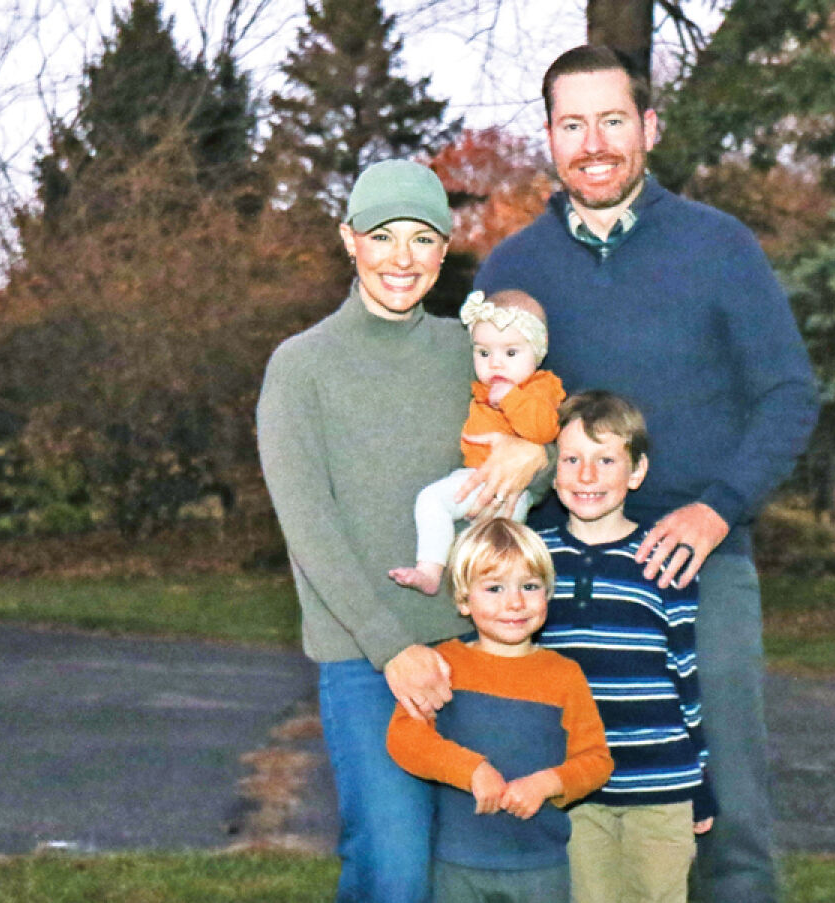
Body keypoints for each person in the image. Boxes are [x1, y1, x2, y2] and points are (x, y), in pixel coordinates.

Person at [473, 46, 820, 903]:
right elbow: (484, 429)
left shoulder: (718, 246)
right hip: (557, 581)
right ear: (550, 137)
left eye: (614, 120)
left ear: (649, 128)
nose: (595, 143)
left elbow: (788, 393)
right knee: (564, 815)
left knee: (725, 816)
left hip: (696, 565)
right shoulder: (510, 275)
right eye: (573, 123)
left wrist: (716, 510)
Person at [257, 159, 518, 903]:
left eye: (422, 238)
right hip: (368, 660)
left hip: (477, 647)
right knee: (395, 869)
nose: (402, 258)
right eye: (382, 235)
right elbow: (309, 527)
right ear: (349, 240)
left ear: (445, 249)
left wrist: (530, 453)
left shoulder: (469, 357)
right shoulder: (301, 368)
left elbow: (526, 463)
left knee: (471, 872)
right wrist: (392, 647)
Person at [537, 390, 717, 903]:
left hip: (661, 788)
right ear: (553, 470)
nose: (587, 475)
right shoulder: (534, 560)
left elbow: (685, 675)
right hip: (574, 790)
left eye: (606, 460)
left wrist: (699, 782)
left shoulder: (665, 559)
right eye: (572, 459)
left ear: (636, 472)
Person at [387, 517, 613, 903]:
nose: (515, 602)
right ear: (463, 600)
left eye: (530, 586)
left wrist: (548, 784)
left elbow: (596, 760)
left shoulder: (564, 675)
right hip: (457, 863)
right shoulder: (444, 664)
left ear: (548, 594)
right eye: (494, 588)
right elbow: (405, 737)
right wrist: (471, 769)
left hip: (541, 866)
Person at [389, 289, 565, 595]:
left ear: (539, 350)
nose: (495, 364)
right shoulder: (480, 388)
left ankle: (495, 597)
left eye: (510, 353)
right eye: (484, 353)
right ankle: (430, 569)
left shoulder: (540, 388)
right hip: (472, 477)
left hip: (511, 488)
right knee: (431, 501)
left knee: (496, 548)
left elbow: (544, 431)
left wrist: (512, 399)